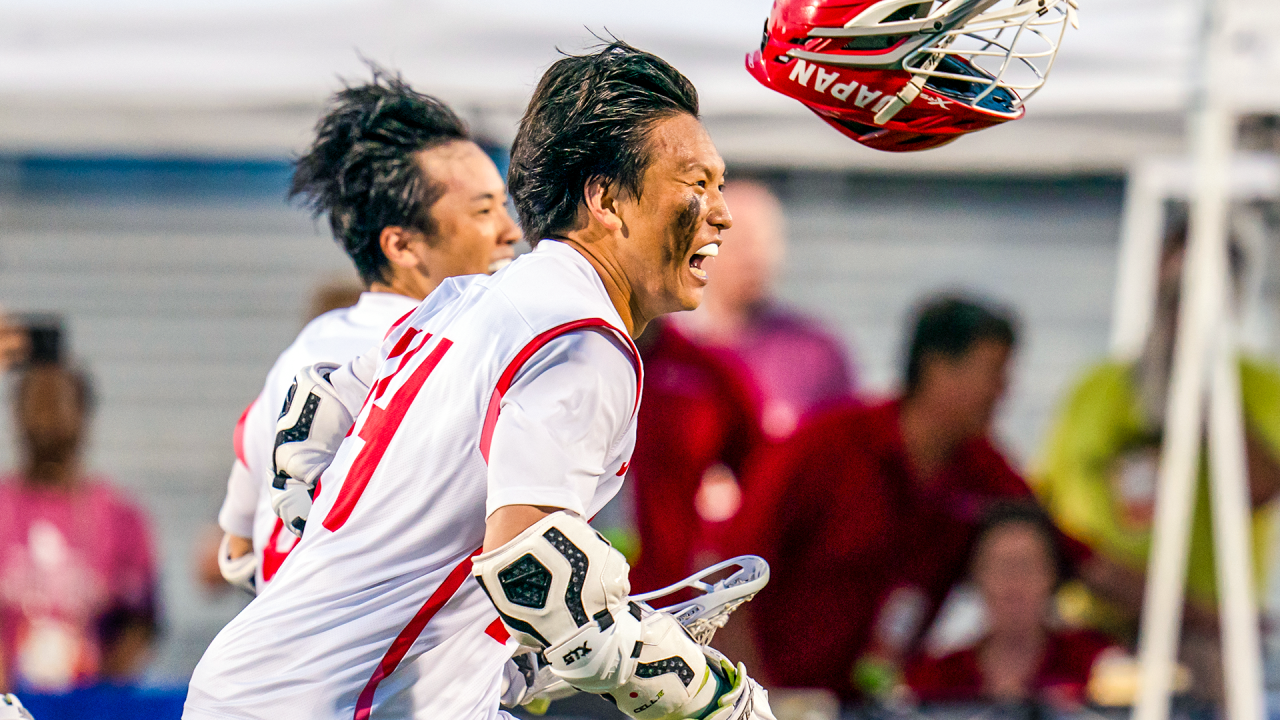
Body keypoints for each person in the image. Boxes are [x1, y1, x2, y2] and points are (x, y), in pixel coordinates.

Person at [185, 41, 773, 720]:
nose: (721, 212)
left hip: (254, 684)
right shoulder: (583, 337)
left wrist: (450, 634)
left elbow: (310, 419)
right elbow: (540, 579)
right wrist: (711, 697)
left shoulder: (464, 300)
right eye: (696, 183)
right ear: (606, 198)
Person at [212, 69, 521, 593]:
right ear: (401, 246)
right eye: (485, 210)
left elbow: (236, 550)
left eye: (504, 206)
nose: (510, 231)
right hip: (375, 674)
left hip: (292, 663)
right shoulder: (438, 362)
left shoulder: (308, 345)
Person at [725, 295, 1116, 702]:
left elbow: (1075, 557)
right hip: (779, 699)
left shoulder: (983, 471)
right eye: (994, 373)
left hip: (874, 704)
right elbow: (729, 575)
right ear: (939, 369)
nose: (1004, 392)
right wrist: (754, 702)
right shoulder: (825, 448)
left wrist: (1176, 610)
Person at [1034, 220, 1280, 695]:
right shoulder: (1096, 388)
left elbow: (1262, 487)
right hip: (1094, 629)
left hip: (1206, 635)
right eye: (1173, 290)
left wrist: (1203, 385)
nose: (1181, 307)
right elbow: (1043, 507)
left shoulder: (1257, 388)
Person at [0, 363, 157, 692]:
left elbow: (140, 622)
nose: (46, 417)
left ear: (83, 415)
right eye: (37, 403)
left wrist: (101, 693)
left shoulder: (120, 516)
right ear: (17, 413)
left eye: (57, 403)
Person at [676, 180, 856, 440]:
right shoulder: (671, 356)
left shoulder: (817, 355)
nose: (753, 257)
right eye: (739, 241)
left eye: (765, 242)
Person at [905, 502, 1115, 707]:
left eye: (1026, 566)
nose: (1014, 583)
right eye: (1001, 566)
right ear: (976, 575)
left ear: (1053, 574)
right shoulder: (933, 679)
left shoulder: (1098, 664)